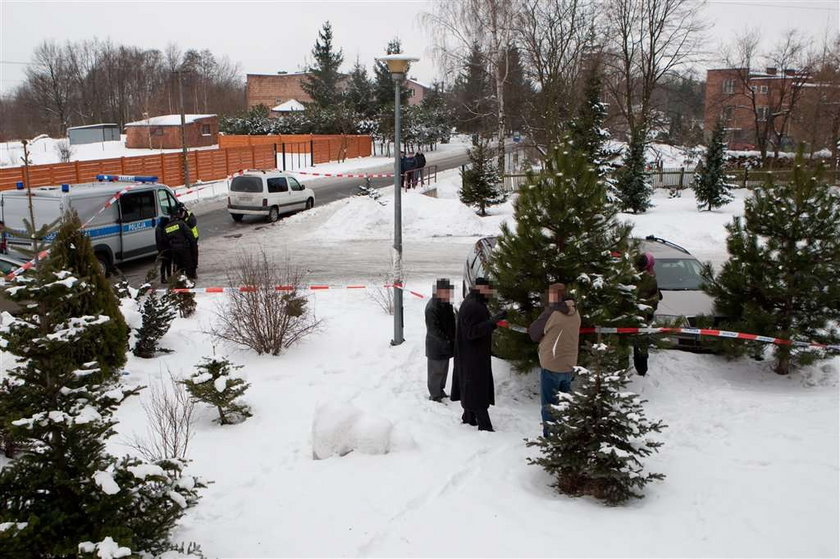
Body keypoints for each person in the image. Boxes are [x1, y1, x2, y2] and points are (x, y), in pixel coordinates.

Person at [451, 277, 506, 432]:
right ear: (482, 288)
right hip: (473, 356)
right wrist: (493, 322)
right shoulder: (473, 306)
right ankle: (484, 425)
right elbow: (472, 332)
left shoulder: (474, 302)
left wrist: (492, 321)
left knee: (472, 387)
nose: (491, 293)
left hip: (472, 354)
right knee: (476, 388)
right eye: (489, 290)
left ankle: (468, 417)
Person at [528, 283, 581, 436]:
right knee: (565, 404)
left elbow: (533, 333)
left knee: (549, 405)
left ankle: (551, 439)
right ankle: (566, 435)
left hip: (552, 364)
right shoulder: (575, 312)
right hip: (570, 364)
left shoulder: (551, 313)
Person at [425, 278, 456, 402]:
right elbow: (433, 330)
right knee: (436, 371)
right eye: (446, 292)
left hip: (446, 344)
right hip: (436, 345)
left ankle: (440, 390)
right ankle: (435, 394)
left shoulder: (446, 303)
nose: (449, 294)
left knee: (443, 370)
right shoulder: (432, 307)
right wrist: (446, 339)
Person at [634, 252, 662, 375]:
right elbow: (654, 300)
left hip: (632, 314)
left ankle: (629, 367)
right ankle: (641, 369)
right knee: (641, 342)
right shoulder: (650, 279)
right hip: (643, 317)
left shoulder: (630, 275)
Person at [163, 214, 197, 280]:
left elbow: (165, 240)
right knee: (188, 263)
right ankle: (189, 278)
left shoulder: (166, 228)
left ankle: (179, 280)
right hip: (184, 247)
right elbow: (189, 234)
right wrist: (193, 245)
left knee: (178, 265)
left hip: (174, 249)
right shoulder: (181, 224)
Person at [177, 202, 199, 269]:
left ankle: (194, 265)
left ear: (183, 212)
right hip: (187, 238)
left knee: (194, 252)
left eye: (181, 215)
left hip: (194, 237)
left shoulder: (190, 215)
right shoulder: (180, 218)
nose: (180, 217)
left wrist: (184, 224)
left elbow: (192, 223)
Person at [155, 215, 172, 284]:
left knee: (167, 263)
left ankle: (168, 277)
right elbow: (162, 239)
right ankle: (164, 278)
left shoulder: (159, 227)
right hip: (164, 249)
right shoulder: (160, 229)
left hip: (163, 248)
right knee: (165, 264)